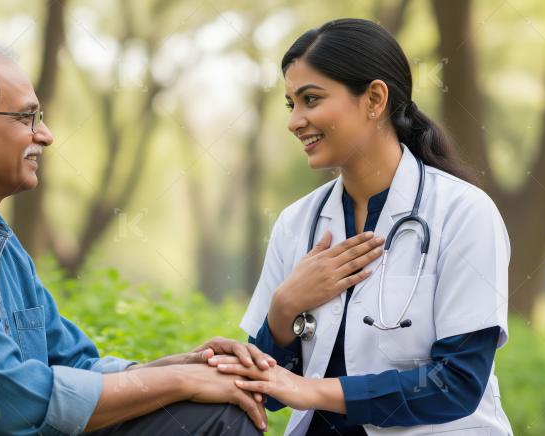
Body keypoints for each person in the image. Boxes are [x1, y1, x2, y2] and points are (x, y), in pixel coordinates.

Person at [0, 37, 273, 436]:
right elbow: (11, 398)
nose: (45, 135)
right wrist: (179, 383)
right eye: (26, 117)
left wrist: (181, 366)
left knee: (219, 417)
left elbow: (72, 362)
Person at [207, 18, 513, 435]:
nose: (295, 121)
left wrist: (313, 391)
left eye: (310, 99)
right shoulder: (296, 223)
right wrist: (283, 307)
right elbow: (270, 394)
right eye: (290, 104)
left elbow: (455, 383)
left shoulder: (463, 213)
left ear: (374, 99)